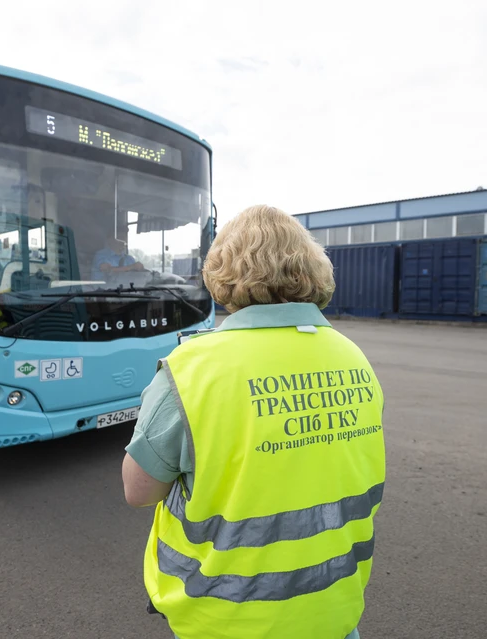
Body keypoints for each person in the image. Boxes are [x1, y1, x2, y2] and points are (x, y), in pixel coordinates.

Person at [121, 205, 386, 639]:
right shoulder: (351, 356)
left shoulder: (191, 369)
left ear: (222, 274)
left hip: (223, 617)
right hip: (334, 610)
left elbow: (139, 491)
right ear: (311, 270)